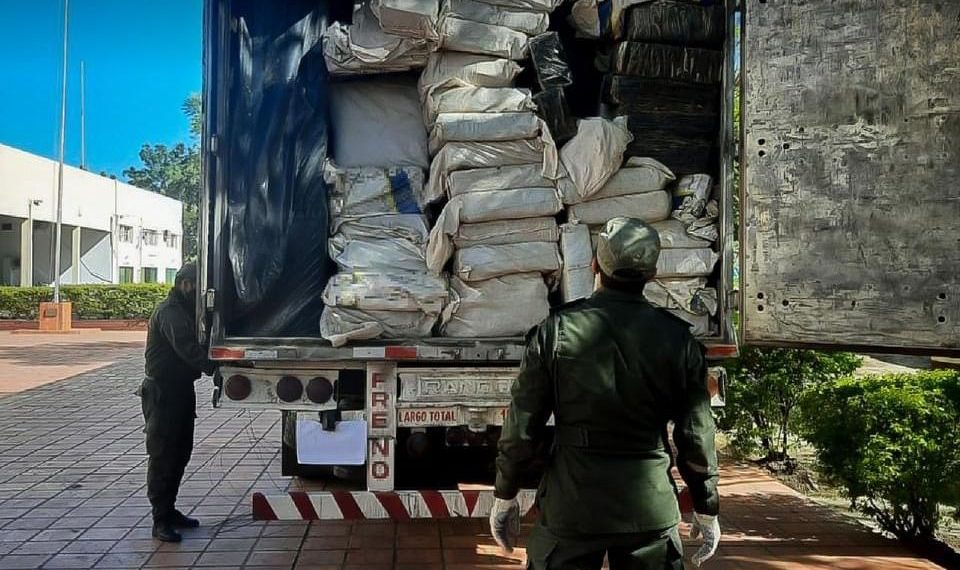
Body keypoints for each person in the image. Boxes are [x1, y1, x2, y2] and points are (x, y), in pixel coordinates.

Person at [489, 217, 721, 569]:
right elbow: (697, 436)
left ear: (595, 264)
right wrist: (707, 508)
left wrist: (505, 494)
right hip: (648, 511)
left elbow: (522, 429)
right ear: (653, 273)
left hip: (572, 506)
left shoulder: (555, 332)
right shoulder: (678, 341)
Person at [141, 262, 215, 542]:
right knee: (163, 455)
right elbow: (187, 348)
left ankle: (169, 510)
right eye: (197, 288)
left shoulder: (182, 310)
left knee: (180, 452)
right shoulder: (169, 312)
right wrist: (215, 367)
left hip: (180, 390)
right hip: (163, 394)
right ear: (185, 284)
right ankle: (160, 519)